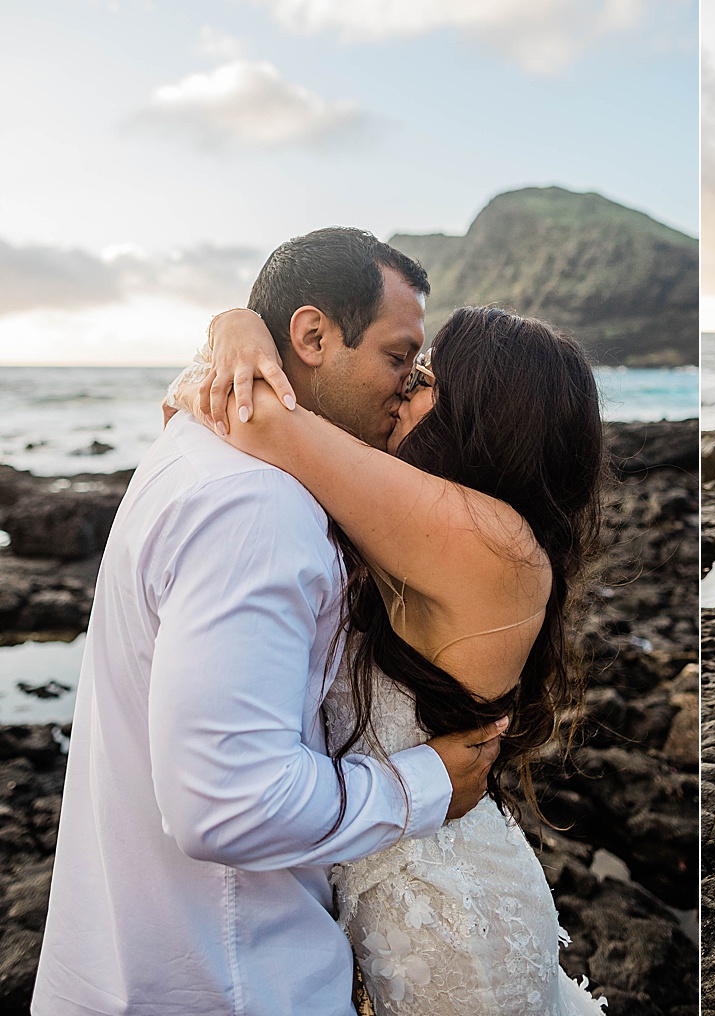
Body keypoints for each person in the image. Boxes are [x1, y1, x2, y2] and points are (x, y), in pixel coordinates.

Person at [33, 229, 510, 1016]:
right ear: (314, 335)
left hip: (135, 962)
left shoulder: (203, 443)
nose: (409, 383)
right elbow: (230, 803)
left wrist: (231, 329)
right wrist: (426, 784)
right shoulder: (259, 506)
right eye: (399, 358)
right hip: (231, 977)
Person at [167, 293, 609, 1014]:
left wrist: (235, 333)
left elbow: (252, 418)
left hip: (455, 927)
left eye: (427, 376)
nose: (405, 388)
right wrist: (234, 327)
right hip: (398, 892)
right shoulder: (424, 525)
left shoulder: (495, 543)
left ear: (483, 416)